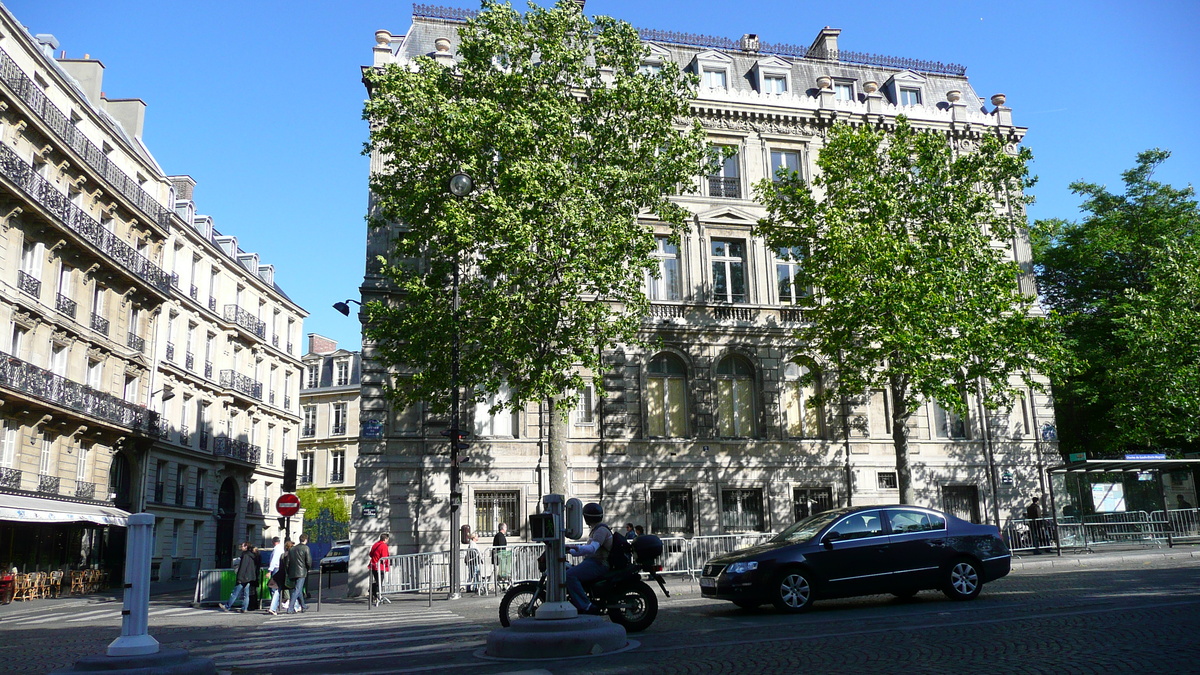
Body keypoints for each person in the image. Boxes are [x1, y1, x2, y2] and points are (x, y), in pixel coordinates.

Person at [565, 502, 612, 615]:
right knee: (568, 569)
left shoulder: (601, 530)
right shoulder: (595, 529)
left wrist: (575, 547)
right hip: (592, 561)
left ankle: (586, 606)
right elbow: (586, 551)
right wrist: (568, 551)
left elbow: (591, 549)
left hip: (599, 564)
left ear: (587, 517)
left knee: (570, 575)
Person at [219, 542, 258, 612]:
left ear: (246, 547)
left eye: (242, 546)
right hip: (249, 577)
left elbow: (243, 567)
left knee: (235, 593)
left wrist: (239, 578)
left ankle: (227, 606)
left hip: (243, 577)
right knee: (246, 594)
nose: (241, 547)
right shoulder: (252, 555)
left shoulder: (245, 555)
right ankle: (244, 608)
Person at [287, 533, 312, 613]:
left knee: (298, 589)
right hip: (301, 571)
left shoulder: (292, 549)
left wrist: (288, 570)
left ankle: (303, 605)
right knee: (297, 590)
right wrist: (308, 568)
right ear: (306, 540)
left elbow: (288, 562)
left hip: (292, 571)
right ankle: (290, 608)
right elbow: (308, 561)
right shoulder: (306, 548)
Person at [269, 540, 292, 615]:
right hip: (288, 574)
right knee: (294, 589)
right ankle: (295, 605)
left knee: (277, 590)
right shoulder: (291, 555)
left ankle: (273, 608)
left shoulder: (282, 555)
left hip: (280, 573)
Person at [369, 533, 391, 606]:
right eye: (387, 539)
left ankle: (373, 592)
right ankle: (374, 592)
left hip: (373, 565)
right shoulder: (384, 546)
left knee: (377, 581)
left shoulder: (375, 544)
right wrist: (387, 565)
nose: (387, 541)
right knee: (379, 582)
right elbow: (384, 557)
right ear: (385, 539)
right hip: (380, 567)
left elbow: (370, 554)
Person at [264, 536, 283, 615]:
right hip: (278, 568)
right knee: (276, 588)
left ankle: (274, 606)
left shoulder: (276, 549)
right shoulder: (280, 549)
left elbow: (274, 560)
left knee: (273, 587)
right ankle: (274, 605)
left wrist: (269, 571)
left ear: (274, 542)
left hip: (276, 569)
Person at [461, 525, 481, 594]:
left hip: (473, 561)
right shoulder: (472, 544)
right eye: (477, 536)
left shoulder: (473, 543)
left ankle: (472, 587)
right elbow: (473, 552)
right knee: (473, 574)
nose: (478, 537)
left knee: (473, 574)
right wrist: (478, 557)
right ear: (474, 538)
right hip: (473, 561)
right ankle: (473, 587)